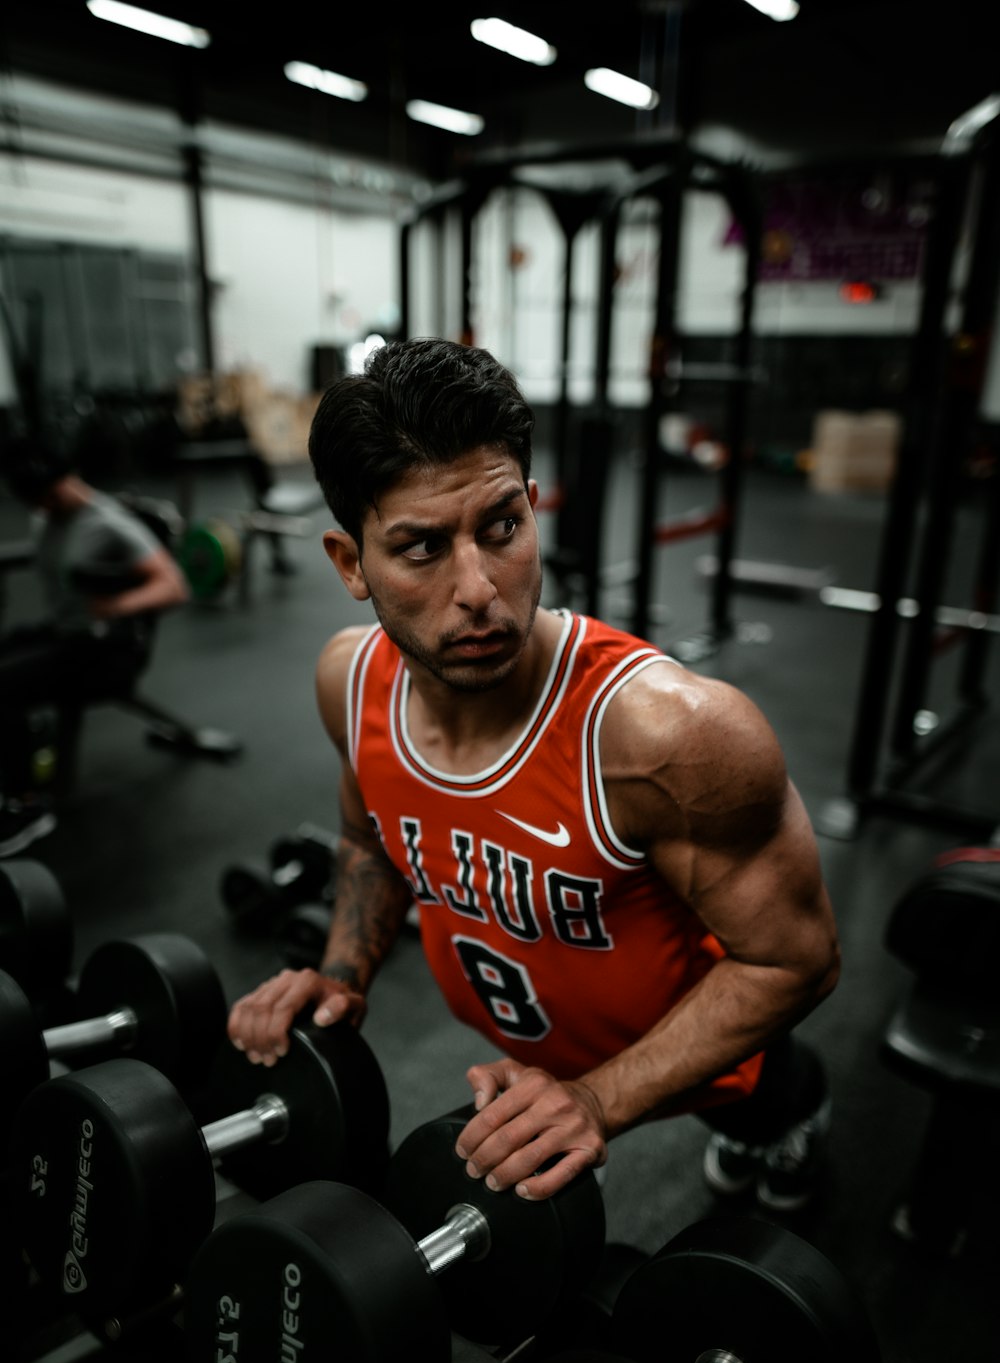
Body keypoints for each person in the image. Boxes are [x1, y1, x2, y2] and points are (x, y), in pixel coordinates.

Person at [227, 336, 841, 1211]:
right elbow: (369, 835)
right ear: (350, 563)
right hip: (518, 1033)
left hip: (691, 1053)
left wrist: (600, 1097)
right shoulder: (348, 682)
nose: (478, 587)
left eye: (501, 526)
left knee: (758, 1104)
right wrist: (342, 973)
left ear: (534, 506)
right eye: (422, 548)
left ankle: (795, 1120)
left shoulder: (669, 735)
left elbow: (796, 961)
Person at [0, 432, 190, 854]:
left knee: (5, 684)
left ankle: (27, 804)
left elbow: (175, 587)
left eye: (49, 495)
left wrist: (117, 605)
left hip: (104, 651)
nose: (42, 508)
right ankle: (23, 749)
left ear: (67, 478)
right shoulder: (46, 518)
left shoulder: (109, 524)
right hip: (67, 633)